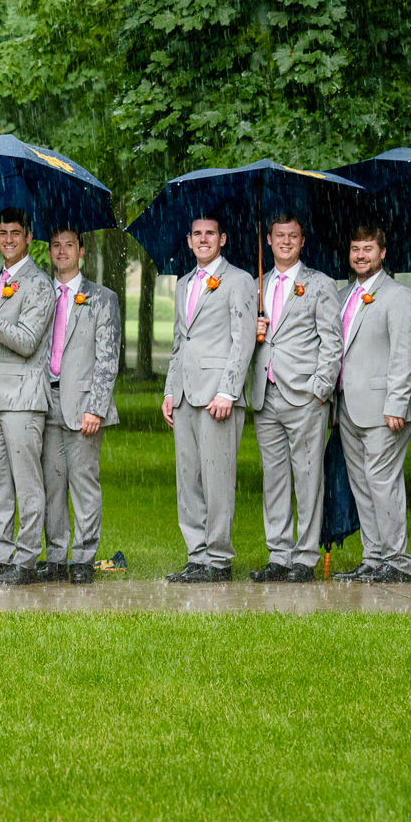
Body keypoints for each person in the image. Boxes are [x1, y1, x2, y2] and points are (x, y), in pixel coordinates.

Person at [245, 213, 342, 582]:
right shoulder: (257, 284)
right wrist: (253, 330)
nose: (286, 241)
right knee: (274, 478)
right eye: (279, 235)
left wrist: (320, 389)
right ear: (267, 240)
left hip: (305, 396)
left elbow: (332, 342)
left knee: (307, 477)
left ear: (303, 241)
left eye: (293, 236)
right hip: (265, 395)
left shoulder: (320, 284)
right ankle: (279, 554)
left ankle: (305, 557)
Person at [160, 216, 257, 582]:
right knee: (188, 480)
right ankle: (196, 554)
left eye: (210, 234)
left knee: (217, 479)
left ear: (223, 238)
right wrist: (171, 390)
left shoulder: (239, 280)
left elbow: (243, 339)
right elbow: (178, 342)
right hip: (185, 394)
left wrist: (227, 390)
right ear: (188, 241)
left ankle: (218, 560)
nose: (203, 240)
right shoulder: (184, 284)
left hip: (219, 397)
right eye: (197, 234)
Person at [0, 208, 54, 586]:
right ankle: (0, 555)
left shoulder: (40, 285)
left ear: (29, 238)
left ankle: (27, 558)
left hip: (23, 398)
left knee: (27, 482)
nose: (7, 240)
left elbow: (26, 340)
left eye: (15, 233)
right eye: (2, 233)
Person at [329, 225, 411, 583]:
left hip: (385, 408)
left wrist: (396, 402)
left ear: (383, 252)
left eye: (368, 248)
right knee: (362, 485)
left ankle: (397, 561)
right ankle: (374, 557)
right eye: (355, 249)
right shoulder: (342, 296)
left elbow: (405, 352)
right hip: (348, 408)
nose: (361, 255)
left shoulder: (397, 296)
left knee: (383, 482)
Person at [39, 226, 120, 585]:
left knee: (83, 482)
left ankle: (84, 557)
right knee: (51, 482)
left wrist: (97, 407)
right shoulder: (40, 293)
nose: (61, 252)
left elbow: (108, 358)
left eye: (68, 246)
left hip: (83, 403)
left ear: (81, 251)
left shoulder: (102, 298)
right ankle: (56, 555)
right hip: (43, 401)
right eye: (56, 246)